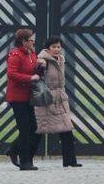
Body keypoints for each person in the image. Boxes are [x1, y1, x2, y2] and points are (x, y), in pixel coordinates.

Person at [35, 36, 81, 167]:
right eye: (54, 47)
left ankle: (70, 161)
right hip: (48, 100)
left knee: (66, 131)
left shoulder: (60, 59)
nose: (56, 49)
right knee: (38, 130)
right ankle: (16, 151)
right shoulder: (43, 60)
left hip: (60, 100)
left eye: (58, 47)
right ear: (48, 48)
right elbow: (37, 79)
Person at [4, 27, 41, 171]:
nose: (33, 42)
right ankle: (25, 162)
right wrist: (30, 78)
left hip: (29, 97)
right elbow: (11, 74)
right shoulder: (15, 54)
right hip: (17, 98)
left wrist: (41, 68)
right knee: (25, 129)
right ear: (23, 41)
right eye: (31, 40)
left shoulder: (32, 53)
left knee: (34, 128)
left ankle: (14, 149)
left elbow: (34, 70)